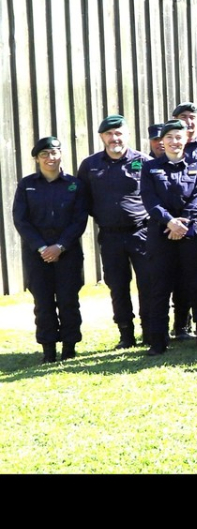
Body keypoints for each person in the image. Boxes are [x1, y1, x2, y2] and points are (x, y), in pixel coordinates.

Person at [14, 135, 89, 362]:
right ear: (37, 159)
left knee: (68, 300)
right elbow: (21, 220)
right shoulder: (27, 185)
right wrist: (42, 248)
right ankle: (48, 350)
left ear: (60, 155)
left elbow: (79, 220)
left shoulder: (74, 184)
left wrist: (60, 246)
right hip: (37, 254)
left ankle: (69, 348)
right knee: (43, 302)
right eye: (44, 154)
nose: (50, 158)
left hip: (68, 253)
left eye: (54, 152)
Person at [78, 114, 149, 348]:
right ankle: (126, 334)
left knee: (149, 284)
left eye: (118, 133)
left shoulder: (144, 162)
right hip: (110, 235)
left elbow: (154, 196)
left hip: (142, 233)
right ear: (102, 137)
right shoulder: (90, 165)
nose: (114, 138)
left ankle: (151, 332)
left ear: (127, 135)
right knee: (117, 286)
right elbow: (83, 199)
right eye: (109, 134)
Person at [141, 118, 197, 353]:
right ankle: (158, 342)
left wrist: (182, 225)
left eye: (178, 137)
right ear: (162, 141)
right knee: (160, 288)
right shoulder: (150, 168)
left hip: (192, 234)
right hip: (161, 234)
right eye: (168, 138)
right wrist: (170, 222)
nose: (173, 142)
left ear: (186, 139)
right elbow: (150, 201)